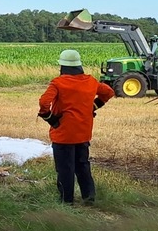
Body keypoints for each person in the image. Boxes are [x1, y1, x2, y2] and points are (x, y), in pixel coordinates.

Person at [38, 48, 115, 205]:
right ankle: (89, 197)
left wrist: (50, 118)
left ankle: (67, 202)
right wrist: (93, 106)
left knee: (65, 169)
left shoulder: (58, 83)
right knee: (83, 166)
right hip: (83, 133)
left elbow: (44, 103)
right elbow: (108, 92)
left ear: (63, 66)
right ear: (79, 65)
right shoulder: (91, 81)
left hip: (63, 135)